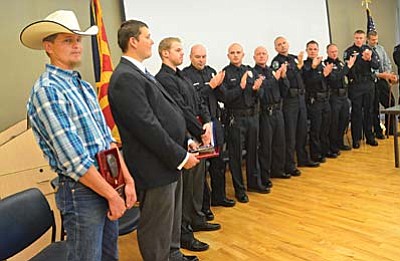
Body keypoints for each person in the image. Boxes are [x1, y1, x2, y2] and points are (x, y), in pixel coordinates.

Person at [21, 10, 136, 261]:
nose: (76, 46)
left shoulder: (82, 86)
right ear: (48, 46)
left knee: (109, 256)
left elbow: (107, 139)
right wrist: (110, 194)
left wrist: (127, 180)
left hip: (106, 181)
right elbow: (73, 159)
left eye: (78, 40)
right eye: (67, 40)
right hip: (82, 191)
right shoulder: (48, 91)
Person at [108, 21, 199, 261]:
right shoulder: (125, 77)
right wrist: (180, 156)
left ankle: (173, 254)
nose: (151, 41)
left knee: (170, 219)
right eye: (147, 37)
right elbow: (147, 126)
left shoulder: (140, 72)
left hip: (166, 160)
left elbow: (167, 112)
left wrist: (185, 139)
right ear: (133, 41)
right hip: (154, 164)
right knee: (156, 225)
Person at [156, 37, 220, 253]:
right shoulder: (164, 79)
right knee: (185, 188)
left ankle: (197, 219)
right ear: (165, 53)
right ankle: (184, 233)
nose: (182, 53)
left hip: (197, 134)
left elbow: (199, 102)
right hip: (184, 138)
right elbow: (181, 109)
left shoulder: (180, 75)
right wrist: (200, 131)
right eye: (178, 50)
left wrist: (208, 123)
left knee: (198, 183)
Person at [182, 44, 236, 214]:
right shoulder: (185, 76)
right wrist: (210, 86)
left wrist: (218, 86)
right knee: (202, 167)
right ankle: (204, 207)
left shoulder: (211, 71)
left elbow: (223, 96)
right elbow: (193, 99)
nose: (201, 60)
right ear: (191, 57)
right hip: (198, 126)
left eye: (204, 56)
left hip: (215, 123)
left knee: (218, 163)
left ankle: (219, 197)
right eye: (198, 57)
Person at [218, 43, 269, 204]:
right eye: (232, 53)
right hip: (236, 119)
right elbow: (224, 97)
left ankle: (254, 183)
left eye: (238, 52)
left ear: (243, 54)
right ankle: (239, 190)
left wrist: (256, 89)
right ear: (228, 55)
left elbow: (260, 93)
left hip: (253, 117)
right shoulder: (225, 73)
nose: (235, 55)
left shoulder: (250, 70)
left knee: (253, 151)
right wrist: (240, 88)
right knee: (236, 156)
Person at [271, 37, 319, 177]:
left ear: (288, 44)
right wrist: (297, 68)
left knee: (302, 131)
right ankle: (290, 165)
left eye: (284, 43)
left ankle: (303, 159)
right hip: (289, 101)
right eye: (279, 45)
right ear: (275, 48)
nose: (282, 46)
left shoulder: (294, 59)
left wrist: (308, 66)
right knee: (290, 135)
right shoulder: (276, 62)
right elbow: (285, 79)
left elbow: (305, 74)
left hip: (300, 98)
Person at [253, 46, 289, 188]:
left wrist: (283, 77)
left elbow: (284, 90)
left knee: (279, 143)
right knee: (266, 146)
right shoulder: (254, 73)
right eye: (259, 54)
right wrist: (274, 79)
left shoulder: (271, 70)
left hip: (278, 111)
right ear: (254, 57)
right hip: (265, 113)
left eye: (264, 54)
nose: (261, 56)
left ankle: (278, 170)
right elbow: (261, 92)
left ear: (267, 56)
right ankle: (265, 176)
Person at [343, 30, 379, 148]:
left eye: (361, 38)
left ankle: (370, 136)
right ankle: (356, 139)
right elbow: (347, 70)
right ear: (354, 38)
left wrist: (369, 59)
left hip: (368, 85)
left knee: (369, 111)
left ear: (364, 39)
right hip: (356, 86)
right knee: (357, 112)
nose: (359, 40)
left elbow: (376, 65)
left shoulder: (369, 50)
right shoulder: (349, 51)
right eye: (357, 38)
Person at [302, 40, 334, 162]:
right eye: (310, 49)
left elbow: (327, 80)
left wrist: (328, 74)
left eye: (315, 49)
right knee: (316, 129)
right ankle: (316, 154)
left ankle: (325, 151)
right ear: (306, 51)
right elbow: (308, 82)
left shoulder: (321, 64)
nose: (313, 51)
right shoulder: (306, 66)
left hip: (325, 99)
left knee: (325, 127)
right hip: (314, 100)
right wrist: (321, 73)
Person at [324, 43, 356, 153]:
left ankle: (340, 142)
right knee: (334, 122)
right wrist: (347, 67)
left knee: (344, 120)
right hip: (334, 97)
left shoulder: (341, 63)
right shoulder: (326, 64)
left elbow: (346, 74)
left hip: (344, 96)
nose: (334, 53)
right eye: (332, 52)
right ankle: (333, 145)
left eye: (336, 51)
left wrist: (348, 68)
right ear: (327, 52)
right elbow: (335, 78)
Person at [367, 30, 397, 136]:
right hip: (372, 82)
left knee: (391, 103)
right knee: (374, 107)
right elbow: (369, 70)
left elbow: (387, 62)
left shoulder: (380, 48)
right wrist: (382, 75)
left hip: (383, 80)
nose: (375, 41)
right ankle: (377, 131)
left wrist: (387, 75)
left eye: (376, 39)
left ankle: (390, 129)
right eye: (373, 40)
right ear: (368, 39)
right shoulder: (366, 51)